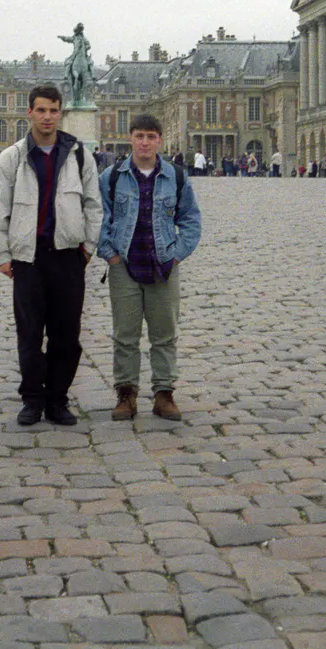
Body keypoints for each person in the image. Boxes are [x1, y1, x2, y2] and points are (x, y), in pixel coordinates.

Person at [0, 84, 102, 427]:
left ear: (60, 113)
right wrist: (1, 253)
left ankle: (57, 399)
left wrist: (88, 247)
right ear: (30, 113)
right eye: (41, 110)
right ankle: (32, 399)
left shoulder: (80, 155)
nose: (47, 117)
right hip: (29, 257)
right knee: (30, 334)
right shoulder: (11, 157)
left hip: (68, 256)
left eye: (53, 110)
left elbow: (93, 205)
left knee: (67, 335)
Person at [99, 114, 202, 423]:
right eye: (139, 136)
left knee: (164, 335)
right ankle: (126, 394)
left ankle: (164, 394)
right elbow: (99, 218)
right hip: (125, 265)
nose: (144, 142)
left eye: (150, 136)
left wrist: (176, 255)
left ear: (159, 140)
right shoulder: (111, 177)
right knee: (125, 335)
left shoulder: (176, 176)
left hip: (163, 265)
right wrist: (111, 255)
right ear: (130, 138)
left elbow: (191, 219)